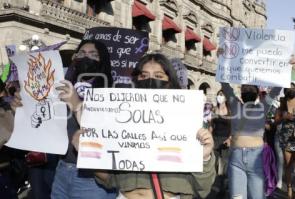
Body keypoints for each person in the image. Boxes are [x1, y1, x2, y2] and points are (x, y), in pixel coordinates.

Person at [59, 53, 216, 199]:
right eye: (144, 76)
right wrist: (88, 152)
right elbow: (108, 179)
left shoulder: (189, 121)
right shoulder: (120, 120)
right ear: (136, 80)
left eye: (159, 76)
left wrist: (204, 157)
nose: (150, 80)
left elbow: (204, 187)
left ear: (170, 82)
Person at [50, 39, 116, 199]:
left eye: (94, 55)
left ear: (103, 61)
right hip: (62, 169)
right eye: (82, 53)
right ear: (74, 57)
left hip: (92, 177)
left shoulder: (113, 92)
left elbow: (104, 133)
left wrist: (76, 104)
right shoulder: (63, 86)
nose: (87, 58)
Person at [278, 82, 295, 199]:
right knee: (288, 164)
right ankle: (290, 188)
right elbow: (276, 119)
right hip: (286, 137)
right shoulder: (282, 102)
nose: (291, 89)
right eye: (289, 88)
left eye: (293, 88)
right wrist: (283, 117)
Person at [210, 89, 231, 197]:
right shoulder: (214, 109)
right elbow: (211, 126)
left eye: (222, 95)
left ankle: (223, 187)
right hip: (215, 139)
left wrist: (230, 139)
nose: (220, 96)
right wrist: (209, 137)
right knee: (213, 164)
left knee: (224, 165)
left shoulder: (230, 110)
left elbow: (234, 127)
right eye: (218, 95)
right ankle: (214, 186)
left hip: (226, 140)